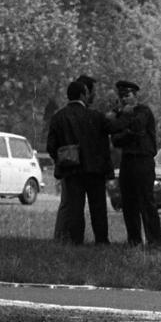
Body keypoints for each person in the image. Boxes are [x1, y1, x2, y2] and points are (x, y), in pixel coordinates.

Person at [48, 80, 111, 245]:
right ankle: (101, 240)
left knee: (75, 208)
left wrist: (62, 158)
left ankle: (76, 240)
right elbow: (113, 128)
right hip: (95, 170)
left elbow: (51, 146)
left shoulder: (58, 117)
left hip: (71, 170)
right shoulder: (96, 116)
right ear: (83, 95)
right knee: (98, 208)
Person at [106, 80, 161, 247]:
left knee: (146, 201)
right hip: (128, 160)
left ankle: (154, 240)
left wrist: (125, 127)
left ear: (135, 95)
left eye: (127, 95)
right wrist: (126, 128)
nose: (124, 99)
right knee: (129, 202)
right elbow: (116, 138)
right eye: (121, 96)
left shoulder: (143, 111)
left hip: (143, 160)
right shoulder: (121, 115)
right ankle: (134, 240)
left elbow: (137, 128)